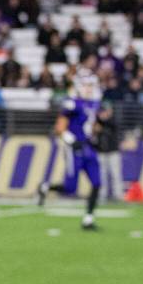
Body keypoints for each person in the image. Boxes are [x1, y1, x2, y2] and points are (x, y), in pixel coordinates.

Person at [37, 70, 102, 229]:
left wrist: (97, 134)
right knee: (70, 188)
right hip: (74, 149)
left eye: (91, 85)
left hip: (88, 147)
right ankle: (45, 187)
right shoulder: (72, 103)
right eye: (86, 85)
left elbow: (91, 125)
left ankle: (88, 218)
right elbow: (59, 128)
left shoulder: (94, 103)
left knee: (97, 182)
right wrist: (71, 140)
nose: (89, 88)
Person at [94, 104, 121, 201]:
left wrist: (102, 124)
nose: (103, 114)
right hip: (101, 151)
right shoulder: (97, 121)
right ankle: (102, 194)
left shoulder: (113, 121)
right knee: (101, 175)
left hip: (113, 151)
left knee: (115, 174)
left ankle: (118, 195)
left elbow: (112, 128)